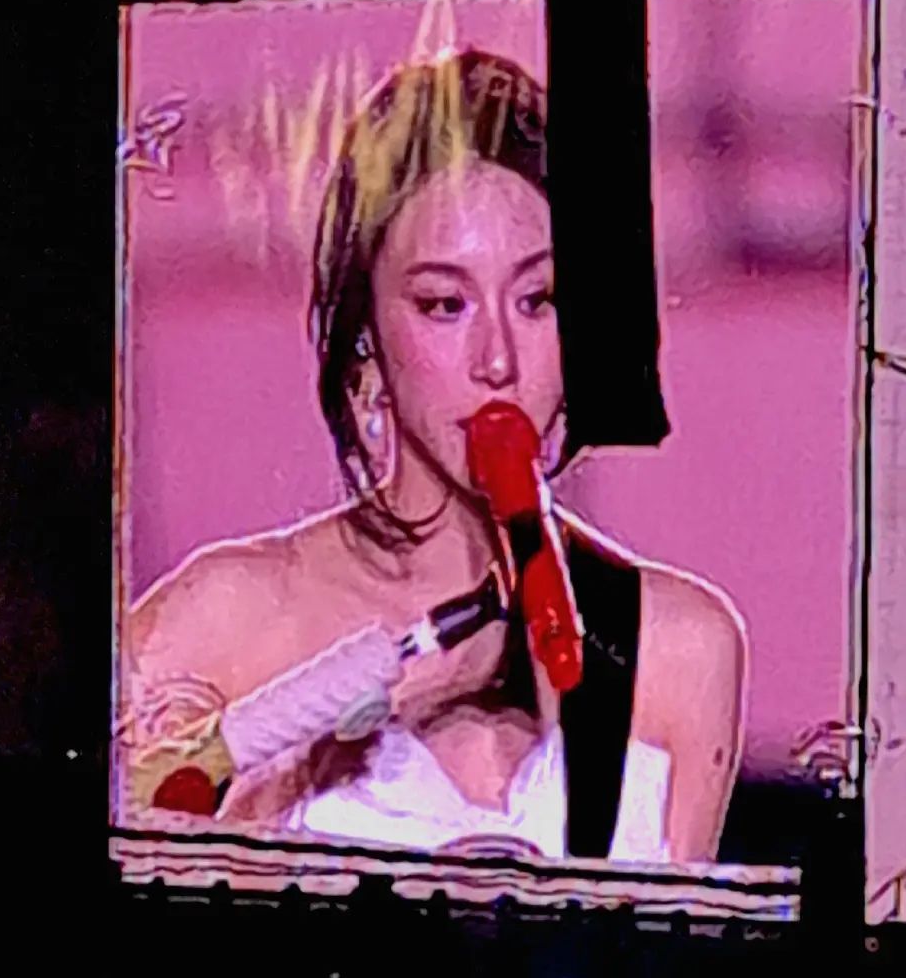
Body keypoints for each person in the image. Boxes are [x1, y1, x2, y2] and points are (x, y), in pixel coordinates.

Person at [124, 51, 746, 866]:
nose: (498, 359)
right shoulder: (223, 620)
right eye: (445, 304)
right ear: (367, 340)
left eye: (538, 299)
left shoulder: (677, 649)